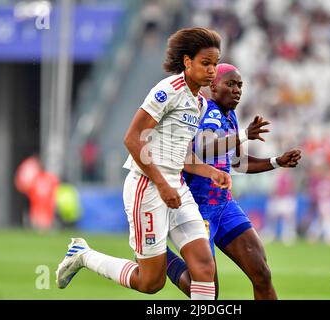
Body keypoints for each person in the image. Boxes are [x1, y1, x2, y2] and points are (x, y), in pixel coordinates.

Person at [55, 27, 232, 300]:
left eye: (215, 64)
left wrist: (210, 172)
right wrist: (161, 185)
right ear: (187, 62)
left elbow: (180, 155)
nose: (212, 71)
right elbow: (133, 139)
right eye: (205, 63)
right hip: (147, 187)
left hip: (175, 188)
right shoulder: (167, 90)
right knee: (150, 282)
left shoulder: (198, 102)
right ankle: (83, 255)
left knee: (205, 267)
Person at [165, 63, 302, 300]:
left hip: (224, 206)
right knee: (208, 291)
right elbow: (203, 150)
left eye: (240, 84)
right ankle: (160, 256)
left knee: (261, 273)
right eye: (230, 84)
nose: (237, 89)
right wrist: (244, 135)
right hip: (196, 210)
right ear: (213, 86)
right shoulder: (206, 111)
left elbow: (237, 162)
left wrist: (276, 161)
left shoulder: (231, 116)